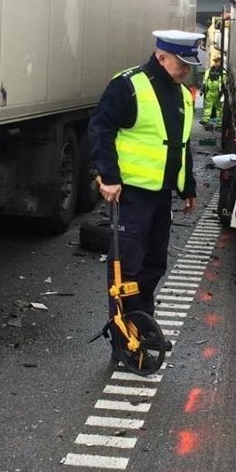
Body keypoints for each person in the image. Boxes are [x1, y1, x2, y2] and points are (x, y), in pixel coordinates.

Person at [89, 29, 202, 352]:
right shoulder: (129, 85)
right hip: (132, 194)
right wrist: (108, 175)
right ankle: (124, 338)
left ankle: (143, 323)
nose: (186, 70)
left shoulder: (180, 93)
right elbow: (101, 128)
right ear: (161, 56)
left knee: (153, 264)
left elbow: (181, 146)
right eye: (181, 63)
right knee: (127, 267)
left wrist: (188, 185)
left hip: (160, 193)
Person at [199, 56, 226, 128]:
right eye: (215, 61)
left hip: (218, 92)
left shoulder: (223, 72)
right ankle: (205, 120)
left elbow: (224, 83)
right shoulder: (209, 70)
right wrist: (202, 89)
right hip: (210, 91)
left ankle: (219, 122)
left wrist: (222, 92)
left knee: (219, 108)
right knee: (208, 106)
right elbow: (205, 80)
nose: (216, 63)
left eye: (218, 61)